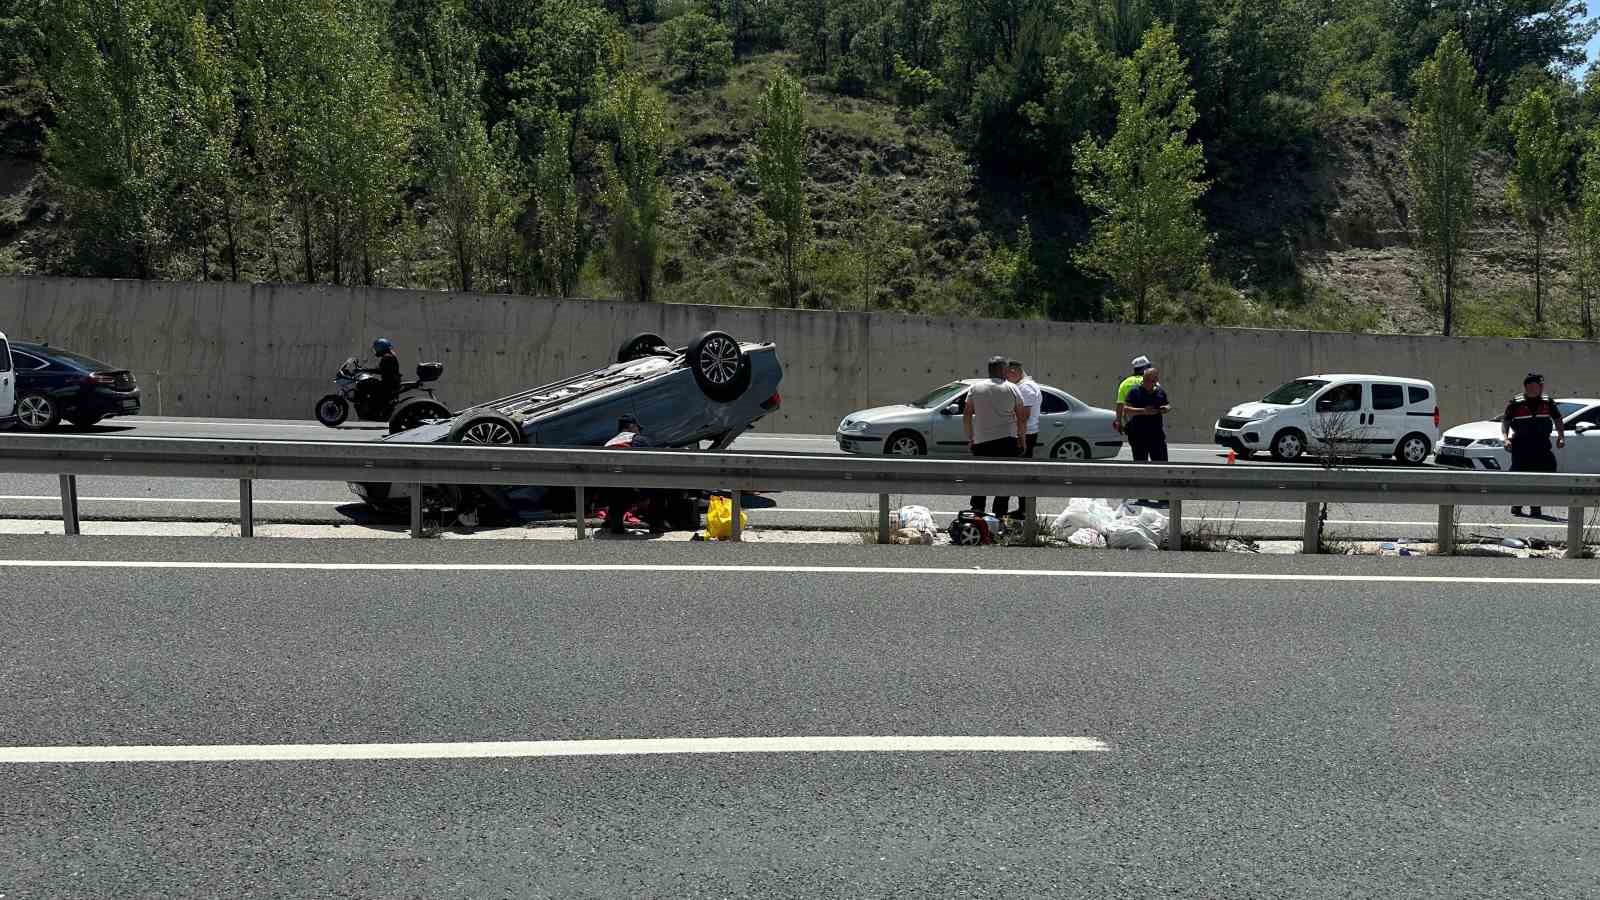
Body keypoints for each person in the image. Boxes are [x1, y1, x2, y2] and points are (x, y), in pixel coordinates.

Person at [964, 355, 1028, 519]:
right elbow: (1021, 417)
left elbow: (967, 415)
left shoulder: (975, 388)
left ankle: (977, 512)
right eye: (1006, 369)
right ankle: (999, 514)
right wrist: (1022, 439)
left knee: (980, 477)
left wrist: (970, 438)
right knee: (1004, 479)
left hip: (982, 441)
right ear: (1002, 370)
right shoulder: (1012, 388)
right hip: (1007, 440)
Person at [1503, 373, 1565, 518]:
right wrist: (1505, 439)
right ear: (1529, 386)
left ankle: (1535, 506)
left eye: (1542, 384)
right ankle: (1517, 505)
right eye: (1539, 384)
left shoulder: (1547, 401)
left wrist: (1561, 436)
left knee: (1541, 475)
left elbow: (1558, 419)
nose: (1542, 387)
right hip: (1521, 446)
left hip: (1541, 445)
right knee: (1521, 477)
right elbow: (1506, 422)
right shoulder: (1516, 403)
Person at [602, 415, 670, 534]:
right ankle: (656, 524)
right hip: (635, 490)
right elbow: (655, 462)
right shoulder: (639, 440)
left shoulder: (608, 443)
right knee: (660, 485)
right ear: (631, 426)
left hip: (609, 492)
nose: (639, 432)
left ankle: (615, 522)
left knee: (618, 488)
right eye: (638, 428)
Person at [1115, 355, 1152, 435]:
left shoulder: (1125, 383)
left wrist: (1118, 421)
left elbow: (1120, 404)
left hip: (1131, 424)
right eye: (1149, 367)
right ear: (1144, 369)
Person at [363, 337, 402, 411]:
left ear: (381, 348)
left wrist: (366, 370)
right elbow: (383, 369)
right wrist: (369, 370)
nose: (376, 351)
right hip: (391, 382)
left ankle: (372, 408)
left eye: (376, 349)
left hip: (388, 384)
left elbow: (381, 370)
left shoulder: (387, 357)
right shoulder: (389, 356)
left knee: (368, 385)